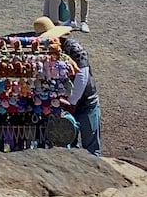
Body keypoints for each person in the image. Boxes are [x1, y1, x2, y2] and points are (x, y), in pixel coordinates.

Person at [32, 16, 102, 156]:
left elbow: (82, 76)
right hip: (63, 103)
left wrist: (71, 102)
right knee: (65, 143)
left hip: (84, 102)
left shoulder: (74, 48)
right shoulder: (46, 52)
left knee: (90, 146)